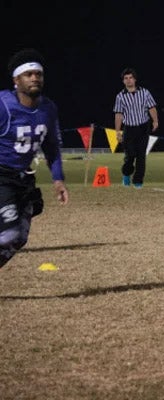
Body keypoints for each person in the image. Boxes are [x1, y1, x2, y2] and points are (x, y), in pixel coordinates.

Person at [0, 48, 68, 268]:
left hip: (23, 179)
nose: (34, 78)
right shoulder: (3, 106)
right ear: (16, 80)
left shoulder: (48, 109)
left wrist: (58, 180)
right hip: (2, 177)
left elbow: (52, 147)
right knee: (9, 235)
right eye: (28, 74)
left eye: (38, 74)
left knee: (19, 238)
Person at [113, 67, 158, 189]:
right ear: (123, 81)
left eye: (130, 78)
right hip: (129, 128)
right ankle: (126, 175)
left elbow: (152, 107)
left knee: (141, 156)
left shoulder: (145, 92)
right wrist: (118, 132)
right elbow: (118, 114)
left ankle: (138, 181)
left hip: (143, 127)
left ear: (135, 79)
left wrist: (155, 121)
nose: (128, 80)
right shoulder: (120, 97)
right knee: (130, 155)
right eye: (126, 78)